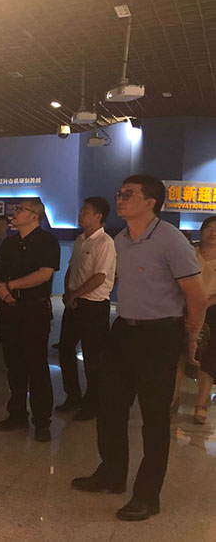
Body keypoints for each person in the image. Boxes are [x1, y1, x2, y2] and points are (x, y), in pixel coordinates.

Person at [71, 175, 205, 522]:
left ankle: (147, 496)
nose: (120, 199)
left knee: (154, 418)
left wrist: (190, 336)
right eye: (120, 193)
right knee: (110, 406)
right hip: (123, 330)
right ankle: (111, 474)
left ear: (150, 202)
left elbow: (196, 296)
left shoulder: (170, 239)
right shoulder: (121, 239)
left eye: (128, 194)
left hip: (160, 334)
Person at [0, 198, 60, 442]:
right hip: (8, 310)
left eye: (20, 209)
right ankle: (17, 413)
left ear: (34, 216)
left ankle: (42, 421)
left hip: (33, 311)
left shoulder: (47, 241)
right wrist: (1, 288)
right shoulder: (9, 242)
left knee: (36, 366)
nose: (15, 212)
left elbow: (44, 274)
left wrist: (10, 286)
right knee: (14, 365)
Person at [55, 197, 116, 421]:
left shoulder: (105, 242)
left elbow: (100, 277)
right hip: (74, 304)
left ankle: (93, 403)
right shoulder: (80, 240)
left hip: (94, 306)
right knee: (65, 350)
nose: (80, 215)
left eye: (85, 211)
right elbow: (72, 269)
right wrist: (68, 292)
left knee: (93, 357)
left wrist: (74, 294)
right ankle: (73, 396)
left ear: (98, 216)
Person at [193, 217, 216, 424]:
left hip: (212, 311)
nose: (213, 233)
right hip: (186, 307)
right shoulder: (190, 253)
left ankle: (200, 405)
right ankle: (173, 398)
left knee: (208, 359)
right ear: (201, 231)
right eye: (209, 228)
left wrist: (207, 303)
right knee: (179, 354)